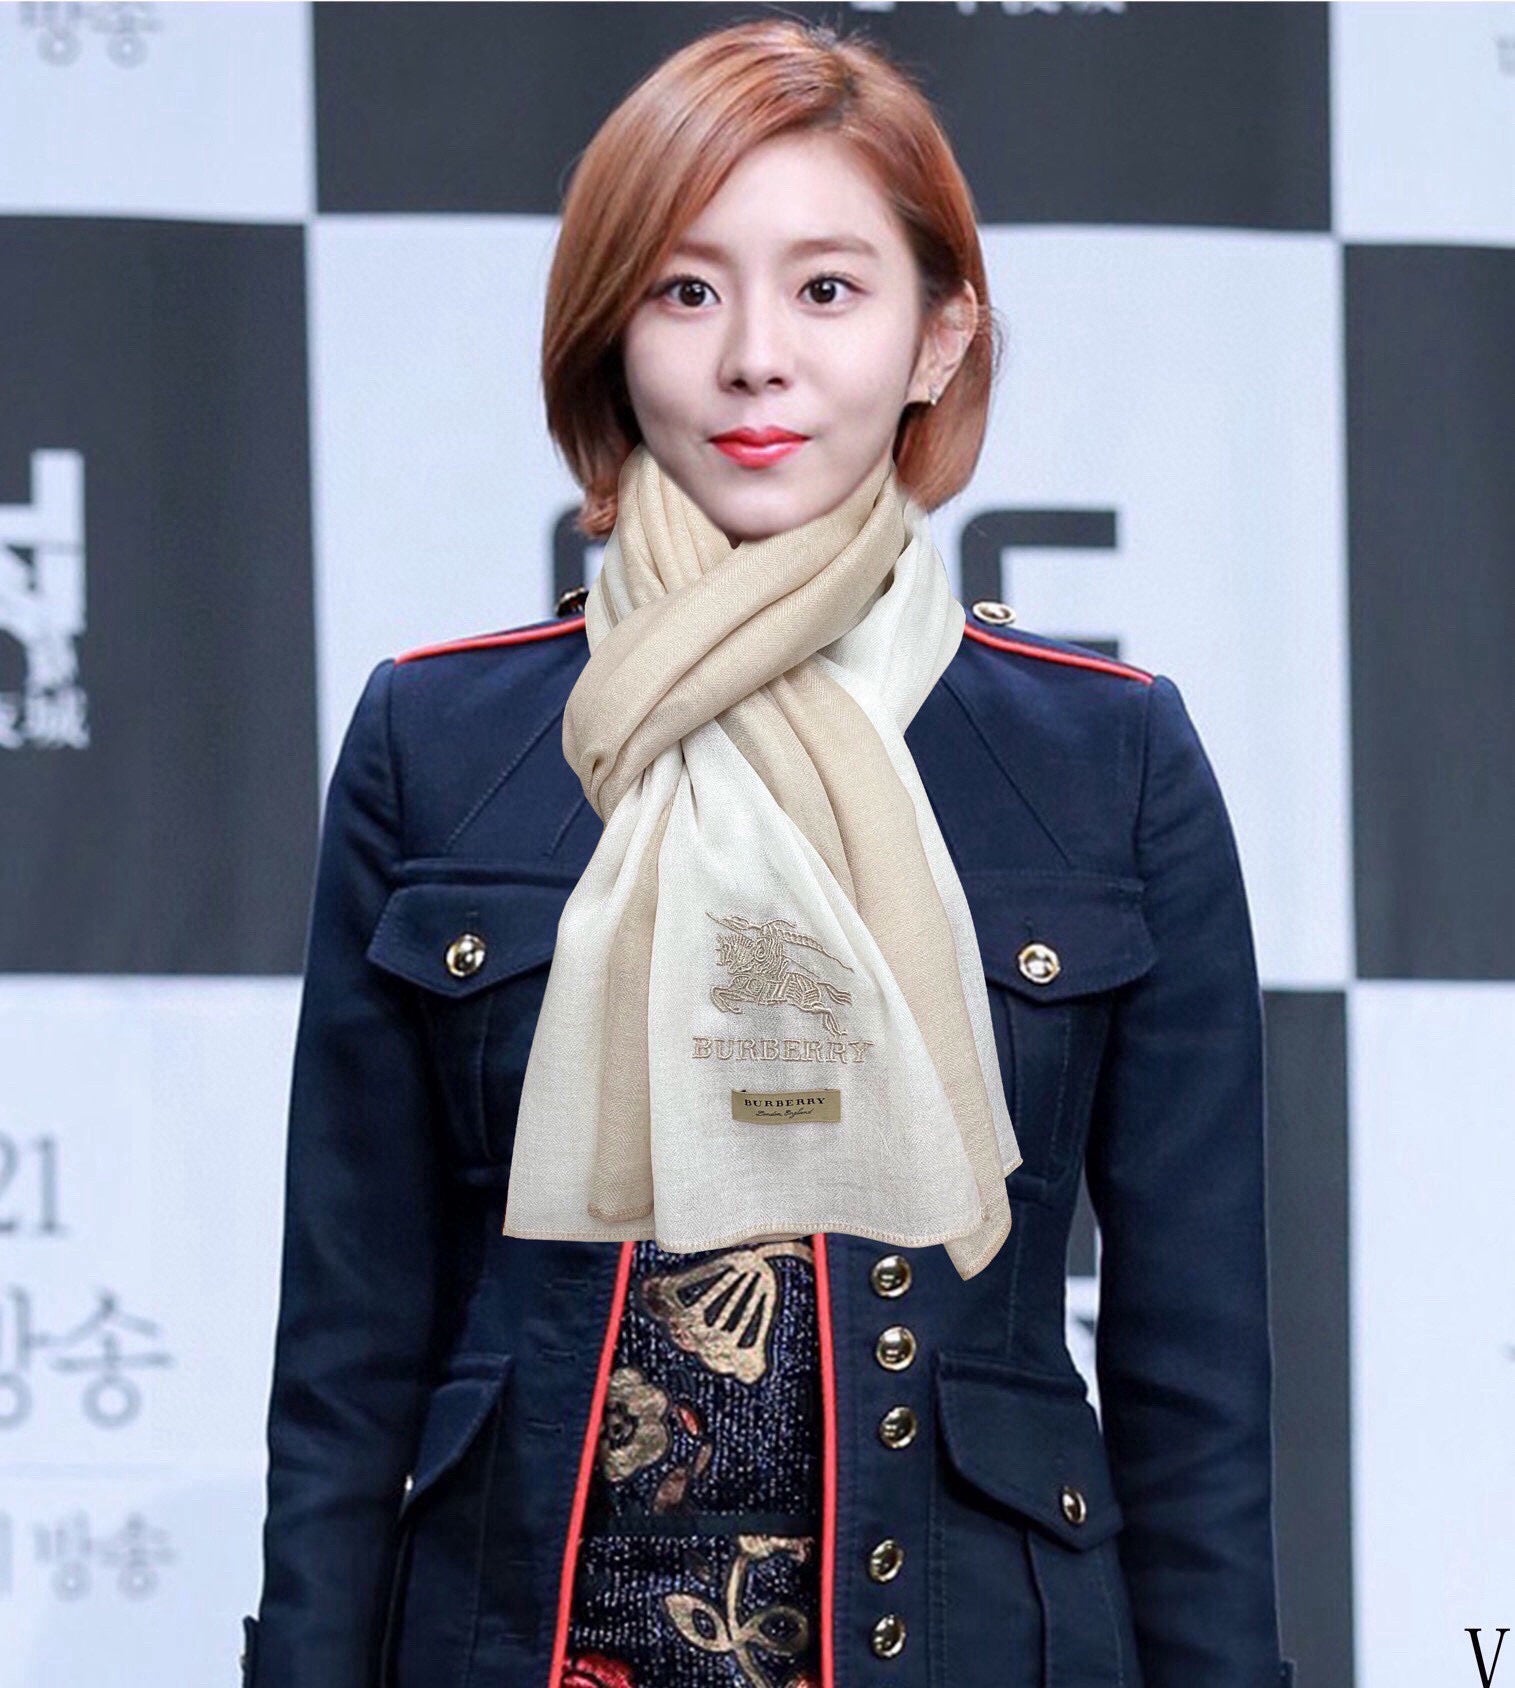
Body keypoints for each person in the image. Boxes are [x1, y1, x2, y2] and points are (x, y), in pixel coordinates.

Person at [243, 19, 1295, 1688]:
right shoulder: (435, 740)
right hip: (520, 1639)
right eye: (686, 289)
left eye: (826, 289)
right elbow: (345, 1355)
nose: (755, 359)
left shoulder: (1105, 758)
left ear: (938, 337)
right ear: (610, 336)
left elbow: (1197, 1380)